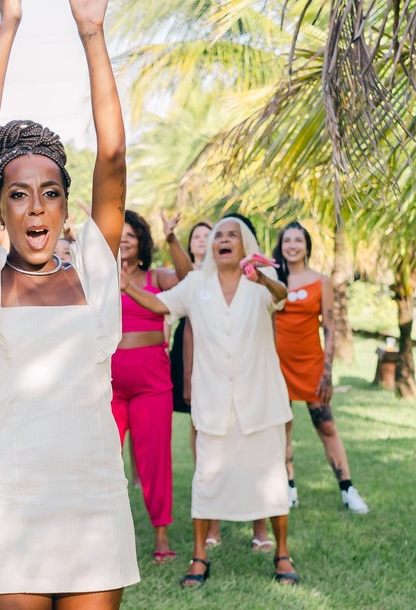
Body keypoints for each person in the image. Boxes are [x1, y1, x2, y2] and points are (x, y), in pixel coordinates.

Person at [0, 0, 140, 607]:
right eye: (20, 194)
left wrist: (91, 32)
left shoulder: (94, 274)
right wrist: (9, 23)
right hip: (13, 507)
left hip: (93, 500)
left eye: (51, 193)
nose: (36, 207)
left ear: (63, 204)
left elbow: (112, 155)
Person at [124, 217, 300, 587]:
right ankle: (199, 556)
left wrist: (263, 278)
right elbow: (158, 306)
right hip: (214, 400)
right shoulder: (196, 285)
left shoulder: (260, 282)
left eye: (231, 235)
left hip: (260, 399)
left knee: (270, 477)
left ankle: (282, 554)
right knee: (206, 480)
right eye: (218, 235)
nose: (223, 240)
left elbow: (281, 296)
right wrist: (124, 284)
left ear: (244, 244)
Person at [272, 222, 369, 514]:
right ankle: (288, 488)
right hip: (277, 366)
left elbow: (329, 329)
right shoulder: (272, 279)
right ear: (281, 245)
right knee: (282, 430)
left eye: (298, 240)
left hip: (311, 365)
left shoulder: (320, 281)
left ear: (306, 246)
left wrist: (327, 371)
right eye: (287, 240)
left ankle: (347, 488)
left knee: (326, 425)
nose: (292, 245)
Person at [113, 210, 185, 563]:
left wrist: (171, 239)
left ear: (142, 240)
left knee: (155, 459)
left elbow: (191, 279)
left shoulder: (156, 276)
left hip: (152, 382)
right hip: (107, 383)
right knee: (104, 460)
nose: (125, 239)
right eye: (118, 234)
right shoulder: (96, 277)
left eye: (131, 234)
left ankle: (161, 534)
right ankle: (105, 535)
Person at [167, 220, 210, 454]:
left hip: (216, 343)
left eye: (207, 235)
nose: (202, 240)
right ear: (189, 246)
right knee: (196, 415)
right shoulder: (184, 274)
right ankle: (200, 472)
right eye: (197, 237)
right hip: (188, 342)